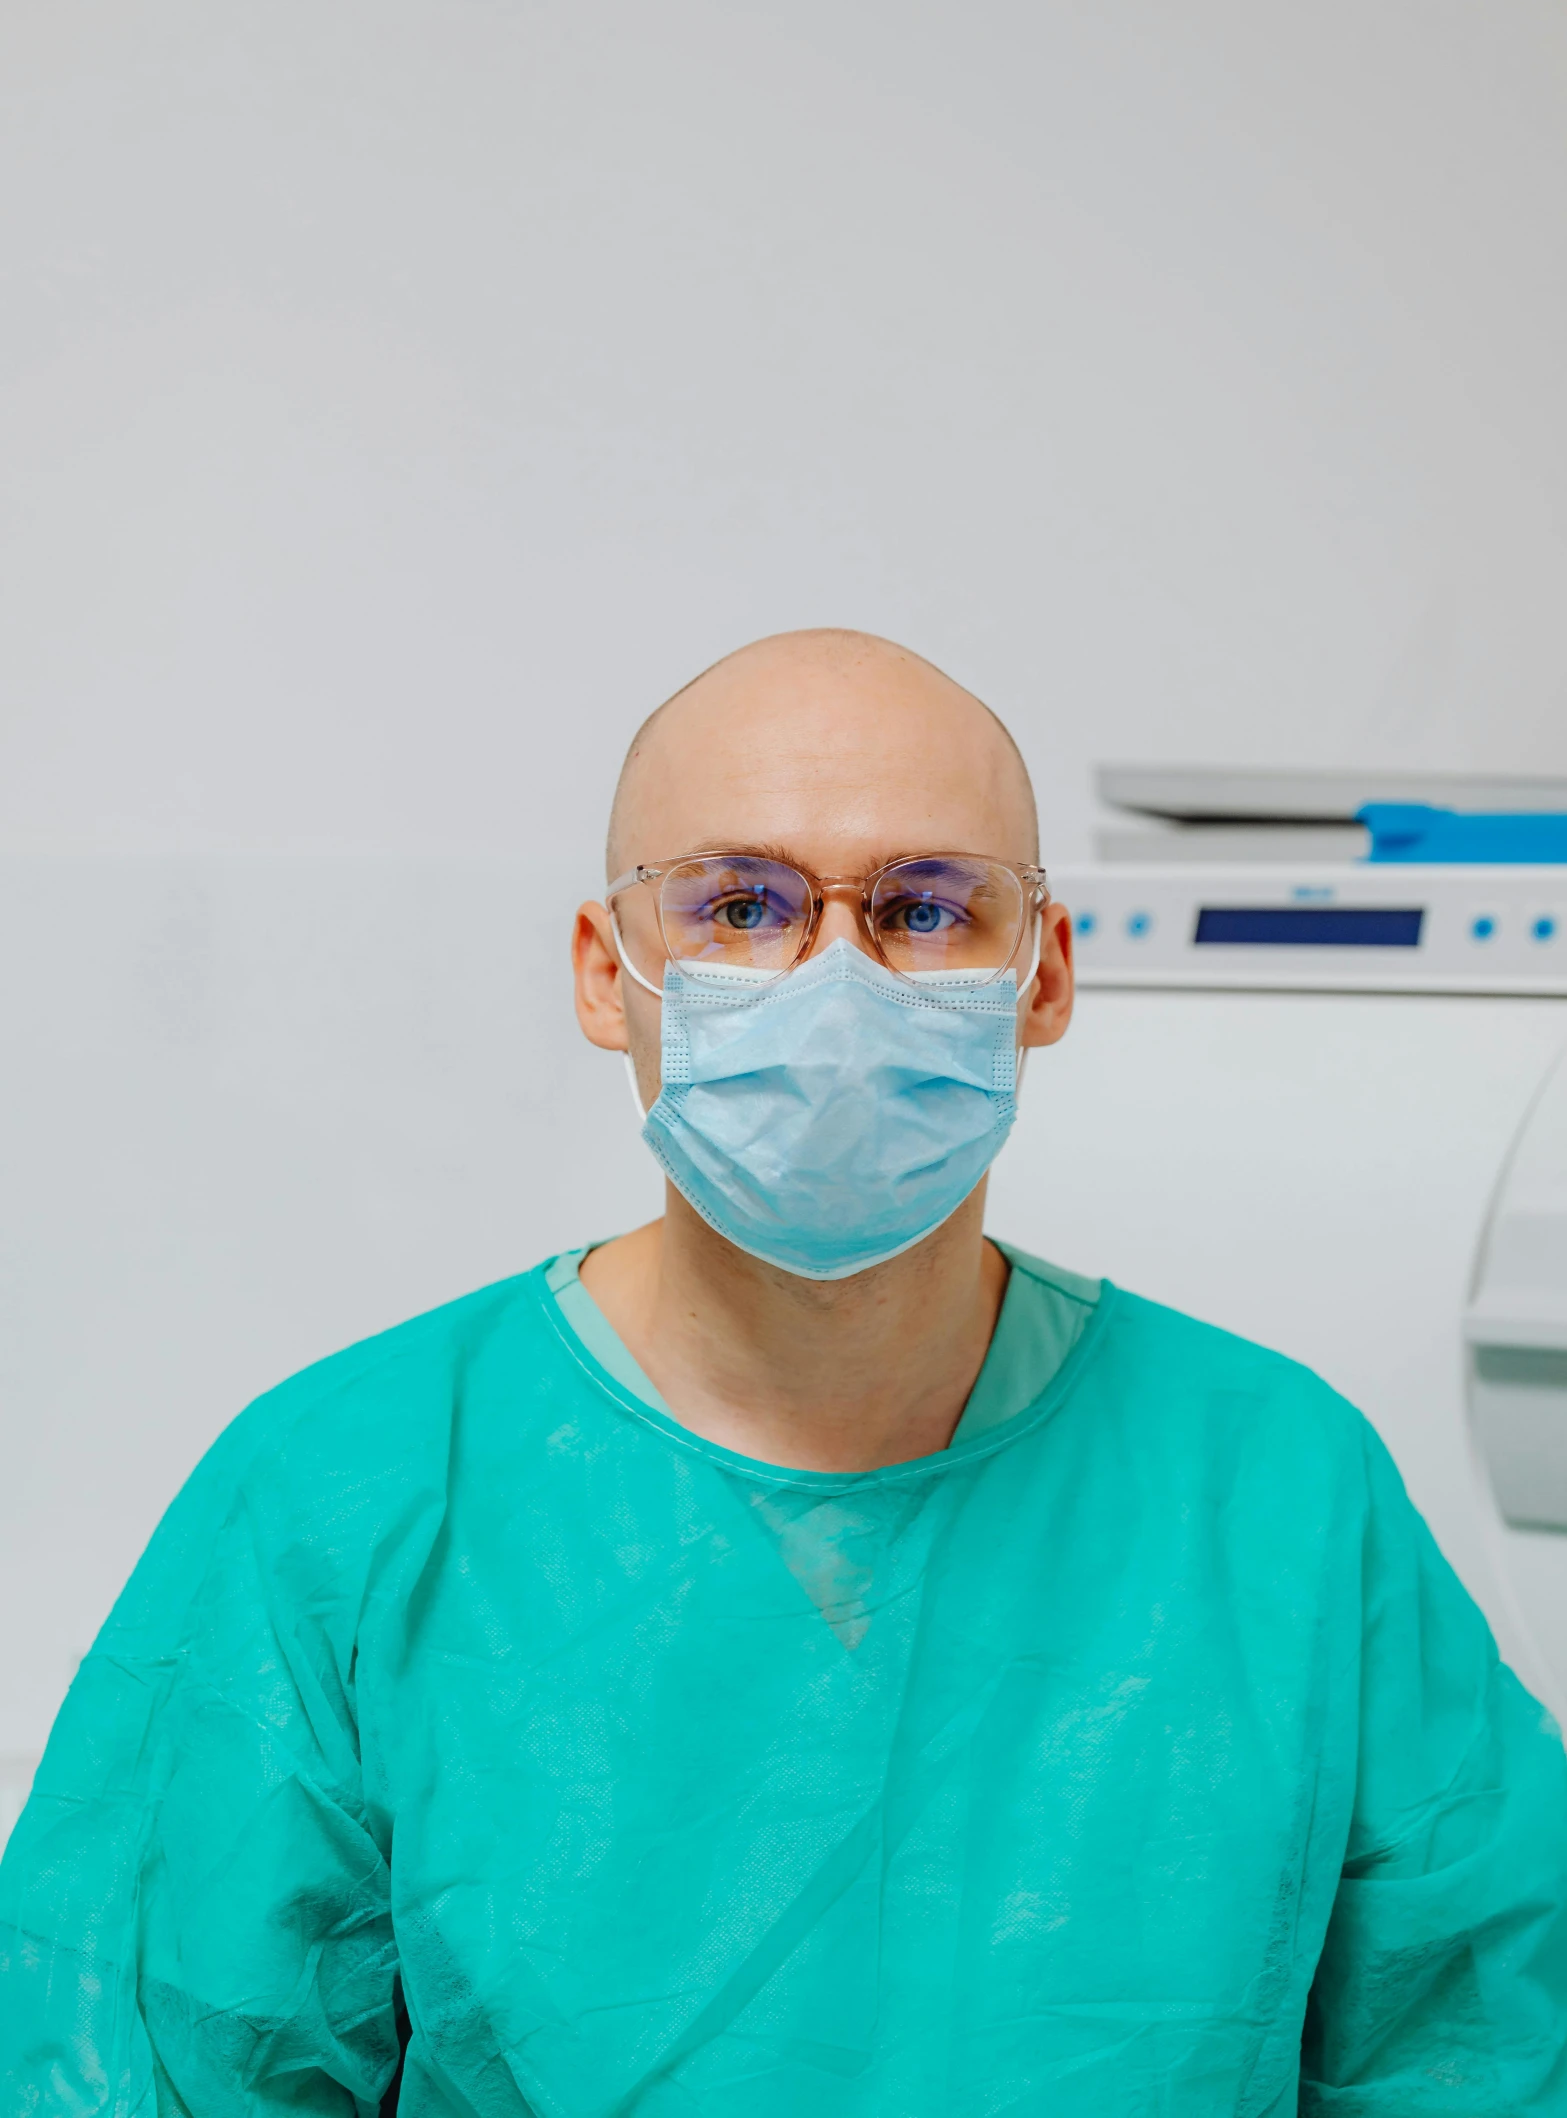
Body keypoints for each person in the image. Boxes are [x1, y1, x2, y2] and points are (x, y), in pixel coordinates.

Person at [3, 628, 1565, 2116]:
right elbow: (132, 2064)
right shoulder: (342, 1497)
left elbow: (1487, 2048)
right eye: (738, 905)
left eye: (924, 906)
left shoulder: (1279, 1493)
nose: (835, 983)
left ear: (1043, 974)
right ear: (607, 974)